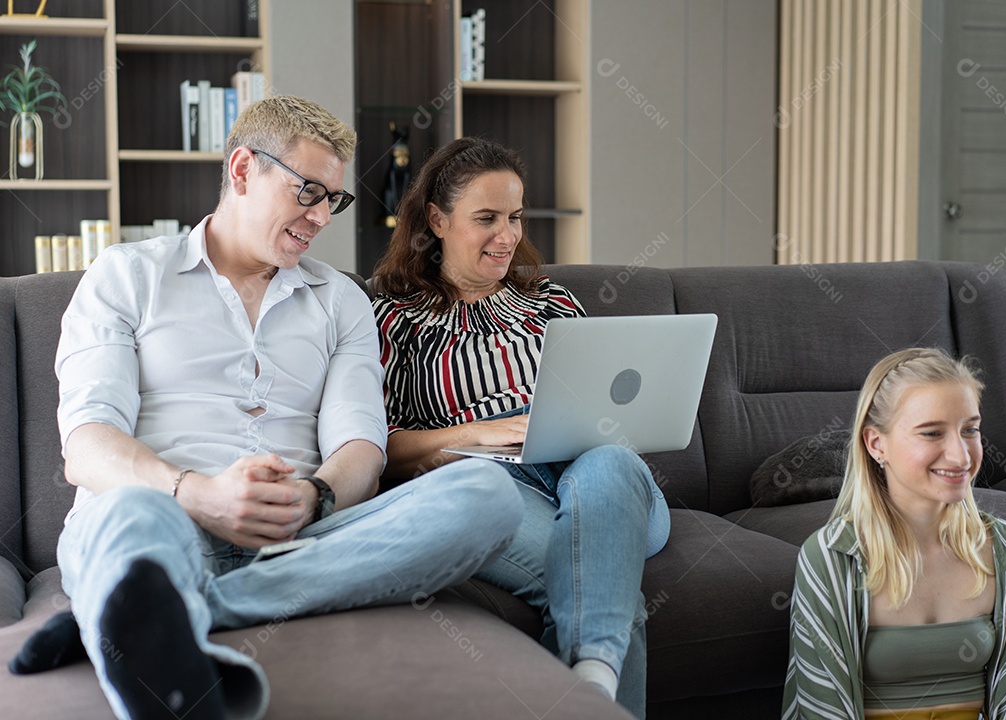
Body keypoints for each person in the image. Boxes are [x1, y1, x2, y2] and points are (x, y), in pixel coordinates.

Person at [17, 96, 523, 720]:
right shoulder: (125, 277)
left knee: (486, 495)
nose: (320, 217)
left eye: (332, 200)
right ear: (241, 170)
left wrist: (315, 498)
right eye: (307, 191)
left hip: (303, 535)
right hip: (162, 519)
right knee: (127, 519)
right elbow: (88, 445)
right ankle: (153, 613)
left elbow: (360, 449)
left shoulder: (342, 301)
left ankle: (174, 611)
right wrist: (199, 494)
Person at [370, 136, 671, 719]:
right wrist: (475, 434)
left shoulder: (553, 301)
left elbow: (611, 409)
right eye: (486, 219)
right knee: (601, 587)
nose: (506, 236)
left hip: (600, 479)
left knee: (610, 462)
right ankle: (595, 681)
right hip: (494, 485)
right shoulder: (391, 316)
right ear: (436, 219)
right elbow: (378, 451)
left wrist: (615, 425)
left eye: (514, 217)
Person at [782, 348, 1006, 720]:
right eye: (932, 433)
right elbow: (823, 710)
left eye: (969, 429)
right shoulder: (833, 557)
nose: (960, 456)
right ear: (876, 444)